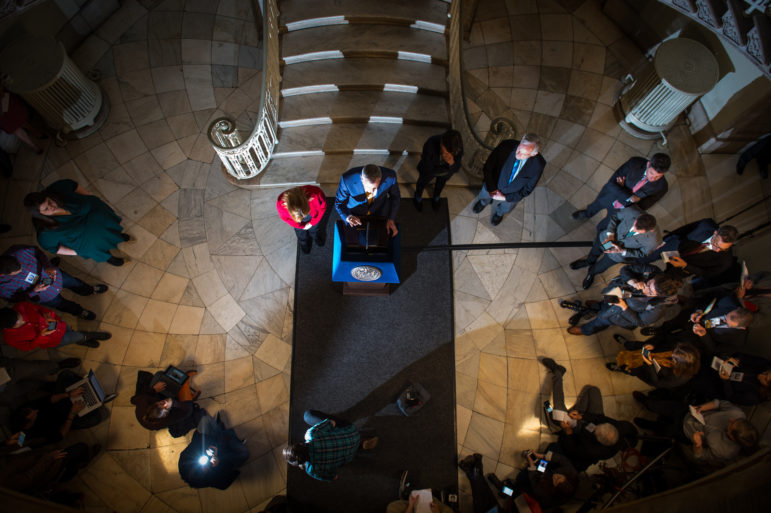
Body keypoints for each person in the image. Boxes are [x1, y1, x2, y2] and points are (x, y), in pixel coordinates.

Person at [539, 357, 634, 471]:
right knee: (593, 391)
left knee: (558, 412)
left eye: (595, 430)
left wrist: (569, 432)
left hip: (579, 432)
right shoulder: (616, 427)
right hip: (589, 419)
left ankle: (558, 372)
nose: (595, 428)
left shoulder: (590, 451)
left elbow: (571, 448)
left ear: (597, 437)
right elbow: (599, 418)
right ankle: (573, 413)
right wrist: (582, 416)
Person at [23, 179, 128, 266]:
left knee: (111, 232)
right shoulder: (46, 230)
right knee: (99, 251)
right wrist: (77, 251)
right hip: (89, 244)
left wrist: (90, 199)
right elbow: (53, 247)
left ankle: (117, 236)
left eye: (49, 202)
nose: (52, 207)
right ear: (40, 213)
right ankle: (109, 257)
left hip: (100, 221)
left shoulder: (58, 189)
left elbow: (73, 185)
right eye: (46, 209)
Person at [633, 398, 758, 469]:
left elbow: (701, 456)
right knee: (661, 405)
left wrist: (697, 444)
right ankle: (646, 402)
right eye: (734, 421)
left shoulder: (726, 452)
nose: (730, 421)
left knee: (662, 428)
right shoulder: (737, 414)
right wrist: (703, 407)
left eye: (731, 426)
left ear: (732, 437)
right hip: (688, 413)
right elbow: (719, 403)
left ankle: (645, 424)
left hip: (685, 433)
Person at [566, 266, 682, 336]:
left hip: (618, 313)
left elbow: (641, 323)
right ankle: (598, 306)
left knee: (601, 320)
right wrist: (633, 282)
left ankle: (586, 330)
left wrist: (623, 307)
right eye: (648, 284)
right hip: (617, 295)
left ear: (659, 296)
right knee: (604, 302)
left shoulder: (659, 307)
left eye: (650, 293)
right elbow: (626, 269)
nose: (645, 289)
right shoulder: (653, 272)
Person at [9, 370, 113, 448]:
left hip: (58, 404)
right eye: (34, 415)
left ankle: (88, 387)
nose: (36, 410)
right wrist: (72, 413)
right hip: (66, 419)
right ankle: (97, 400)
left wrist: (68, 394)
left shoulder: (22, 411)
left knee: (65, 374)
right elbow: (61, 435)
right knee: (97, 418)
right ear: (28, 425)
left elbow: (48, 400)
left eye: (32, 410)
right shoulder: (38, 436)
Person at [0, 245, 108, 320]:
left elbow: (37, 252)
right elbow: (15, 299)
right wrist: (34, 291)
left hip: (55, 276)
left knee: (74, 282)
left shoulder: (18, 251)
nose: (22, 270)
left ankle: (89, 290)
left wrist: (47, 266)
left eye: (21, 266)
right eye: (18, 272)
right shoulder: (2, 287)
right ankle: (80, 312)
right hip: (45, 295)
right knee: (63, 304)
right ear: (3, 275)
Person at [570, 206, 661, 289]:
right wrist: (610, 234)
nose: (633, 229)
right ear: (639, 217)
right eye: (634, 225)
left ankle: (591, 273)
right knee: (596, 250)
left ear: (649, 231)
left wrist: (623, 251)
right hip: (609, 239)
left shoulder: (654, 241)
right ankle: (588, 261)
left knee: (601, 267)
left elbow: (643, 253)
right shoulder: (632, 211)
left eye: (638, 231)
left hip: (618, 253)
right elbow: (615, 217)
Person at [283, 409, 378, 481]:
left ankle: (359, 446)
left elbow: (334, 477)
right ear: (299, 444)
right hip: (353, 433)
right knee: (308, 415)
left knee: (337, 460)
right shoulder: (311, 435)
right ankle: (360, 441)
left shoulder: (313, 471)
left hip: (349, 456)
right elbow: (332, 423)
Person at [472, 133, 545, 226]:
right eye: (519, 148)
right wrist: (491, 188)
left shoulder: (538, 165)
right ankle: (483, 202)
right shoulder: (505, 146)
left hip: (511, 195)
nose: (518, 155)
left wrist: (505, 198)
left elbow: (526, 190)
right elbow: (488, 167)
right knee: (484, 194)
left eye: (524, 154)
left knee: (506, 207)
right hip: (492, 183)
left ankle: (499, 213)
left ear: (534, 154)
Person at [642, 219, 738, 288]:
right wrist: (665, 241)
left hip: (685, 268)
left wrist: (685, 265)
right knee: (647, 257)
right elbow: (684, 230)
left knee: (657, 283)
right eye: (716, 244)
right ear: (715, 233)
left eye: (722, 249)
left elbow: (706, 274)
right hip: (677, 246)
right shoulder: (706, 225)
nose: (717, 250)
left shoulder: (726, 261)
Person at [571, 153, 670, 220]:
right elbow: (612, 183)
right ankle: (587, 214)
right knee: (596, 205)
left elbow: (645, 205)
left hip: (624, 207)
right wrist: (631, 197)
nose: (652, 178)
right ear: (648, 164)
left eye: (658, 176)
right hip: (610, 194)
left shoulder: (662, 187)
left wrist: (623, 190)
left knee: (609, 221)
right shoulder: (634, 163)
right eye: (651, 173)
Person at [178, 412, 249, 489]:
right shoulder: (210, 480)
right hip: (223, 458)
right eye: (207, 467)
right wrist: (218, 463)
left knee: (206, 420)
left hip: (206, 445)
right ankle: (224, 434)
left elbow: (196, 442)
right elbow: (224, 483)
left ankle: (220, 432)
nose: (206, 463)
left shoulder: (184, 461)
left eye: (202, 465)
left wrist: (209, 446)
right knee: (244, 453)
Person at [0, 304, 111, 350]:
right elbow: (27, 347)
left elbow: (40, 308)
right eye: (19, 324)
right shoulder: (10, 338)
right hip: (53, 339)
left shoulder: (20, 306)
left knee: (70, 331)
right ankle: (88, 336)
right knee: (77, 335)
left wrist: (47, 315)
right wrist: (41, 336)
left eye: (20, 317)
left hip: (56, 323)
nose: (23, 321)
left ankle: (82, 340)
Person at [130, 368, 203, 437]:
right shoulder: (164, 421)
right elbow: (188, 410)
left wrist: (153, 390)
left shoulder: (143, 402)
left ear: (152, 405)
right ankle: (186, 384)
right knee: (186, 403)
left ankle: (186, 390)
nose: (164, 403)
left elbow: (132, 400)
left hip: (154, 395)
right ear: (164, 415)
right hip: (171, 404)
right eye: (164, 407)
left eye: (160, 403)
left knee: (159, 374)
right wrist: (173, 403)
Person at [335, 164, 400, 237]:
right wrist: (348, 217)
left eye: (375, 188)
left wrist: (391, 218)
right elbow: (339, 203)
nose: (372, 192)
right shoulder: (347, 179)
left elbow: (395, 197)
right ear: (362, 178)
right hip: (355, 213)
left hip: (379, 210)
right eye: (368, 187)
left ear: (380, 179)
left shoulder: (391, 176)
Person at [607, 341, 701, 390]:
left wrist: (650, 365)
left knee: (632, 369)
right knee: (635, 353)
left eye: (674, 358)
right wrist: (653, 346)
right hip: (653, 355)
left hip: (647, 370)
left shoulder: (678, 378)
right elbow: (665, 342)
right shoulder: (682, 351)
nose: (672, 355)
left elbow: (655, 383)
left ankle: (622, 368)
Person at [413, 129, 463, 211]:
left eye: (450, 154)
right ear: (442, 142)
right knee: (422, 183)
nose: (446, 155)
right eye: (445, 152)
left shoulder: (458, 147)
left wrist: (452, 163)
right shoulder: (431, 143)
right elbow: (428, 167)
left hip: (445, 173)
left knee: (441, 184)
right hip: (429, 171)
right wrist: (445, 166)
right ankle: (418, 196)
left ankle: (436, 197)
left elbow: (457, 167)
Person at [276, 185, 329, 254]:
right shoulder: (281, 204)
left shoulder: (316, 193)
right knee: (301, 234)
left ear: (308, 200)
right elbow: (286, 219)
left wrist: (312, 223)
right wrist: (301, 226)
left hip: (313, 216)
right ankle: (304, 244)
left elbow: (322, 208)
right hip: (296, 222)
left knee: (315, 229)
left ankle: (316, 237)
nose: (303, 218)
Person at [0, 82, 45, 154]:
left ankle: (35, 132)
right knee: (13, 127)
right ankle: (34, 146)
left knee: (18, 119)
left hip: (4, 99)